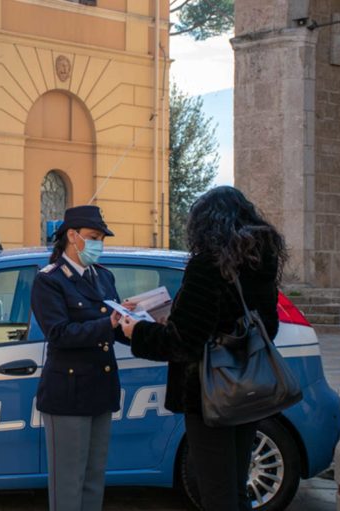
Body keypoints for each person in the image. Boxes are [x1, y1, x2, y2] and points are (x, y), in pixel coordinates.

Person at [120, 186, 288, 511]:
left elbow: (183, 342)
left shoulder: (207, 267)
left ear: (206, 225)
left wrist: (136, 330)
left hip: (212, 394)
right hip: (249, 388)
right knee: (235, 490)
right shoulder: (259, 264)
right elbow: (268, 327)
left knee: (216, 495)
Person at [31, 205, 127, 511]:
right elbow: (59, 333)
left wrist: (141, 321)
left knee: (94, 479)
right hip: (68, 395)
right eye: (93, 237)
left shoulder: (103, 276)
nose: (98, 244)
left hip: (101, 389)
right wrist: (109, 323)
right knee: (68, 485)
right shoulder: (50, 280)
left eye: (101, 238)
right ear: (72, 236)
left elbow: (117, 327)